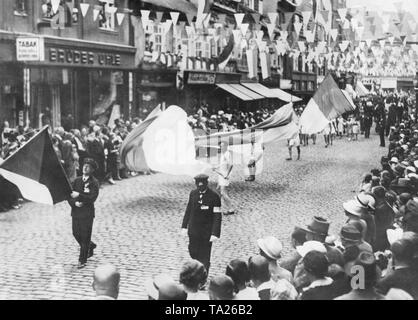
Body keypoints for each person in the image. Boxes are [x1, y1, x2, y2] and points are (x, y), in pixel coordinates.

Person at [181, 174, 222, 274]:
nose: (200, 188)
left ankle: (203, 276)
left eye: (202, 185)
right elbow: (188, 210)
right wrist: (184, 226)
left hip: (206, 232)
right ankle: (199, 268)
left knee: (204, 256)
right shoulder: (193, 194)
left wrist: (215, 233)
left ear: (206, 183)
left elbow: (217, 216)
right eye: (198, 185)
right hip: (194, 231)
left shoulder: (214, 196)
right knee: (193, 252)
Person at [68, 158, 100, 269]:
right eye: (84, 165)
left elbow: (92, 198)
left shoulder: (94, 182)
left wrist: (79, 196)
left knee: (85, 236)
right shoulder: (76, 180)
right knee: (76, 233)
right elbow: (69, 195)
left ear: (92, 170)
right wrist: (74, 203)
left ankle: (82, 260)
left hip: (87, 213)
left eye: (88, 167)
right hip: (76, 212)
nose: (85, 167)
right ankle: (90, 246)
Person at [214, 141, 235, 215]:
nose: (221, 147)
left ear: (226, 146)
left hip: (224, 176)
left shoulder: (227, 154)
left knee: (223, 192)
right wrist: (216, 167)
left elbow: (231, 164)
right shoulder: (223, 154)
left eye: (222, 146)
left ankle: (231, 208)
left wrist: (227, 174)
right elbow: (222, 163)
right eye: (220, 146)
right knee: (221, 192)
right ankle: (226, 208)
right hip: (221, 175)